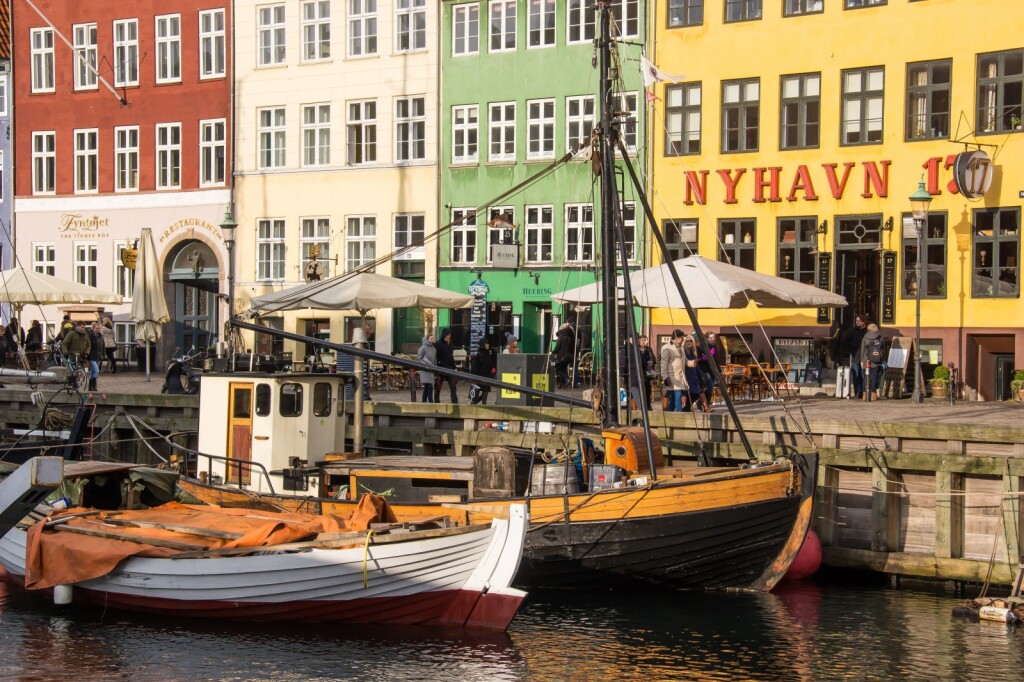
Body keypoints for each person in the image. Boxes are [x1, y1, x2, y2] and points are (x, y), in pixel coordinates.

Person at [841, 314, 868, 399]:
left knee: (863, 374)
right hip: (855, 354)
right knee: (856, 373)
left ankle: (863, 392)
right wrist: (853, 346)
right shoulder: (852, 330)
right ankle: (857, 392)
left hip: (864, 355)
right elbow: (845, 340)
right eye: (856, 321)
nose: (857, 322)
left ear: (863, 322)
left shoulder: (866, 331)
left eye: (859, 321)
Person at [660, 329, 688, 411]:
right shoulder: (666, 347)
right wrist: (665, 377)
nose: (683, 340)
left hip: (680, 375)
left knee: (673, 396)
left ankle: (670, 412)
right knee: (678, 395)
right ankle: (679, 413)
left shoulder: (681, 347)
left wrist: (693, 362)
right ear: (677, 338)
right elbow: (663, 363)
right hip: (672, 376)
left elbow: (684, 361)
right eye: (682, 338)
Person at [682, 335, 711, 412]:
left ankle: (706, 408)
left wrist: (707, 355)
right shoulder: (683, 352)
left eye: (691, 341)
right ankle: (685, 408)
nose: (689, 342)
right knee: (686, 393)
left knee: (700, 391)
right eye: (687, 341)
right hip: (687, 375)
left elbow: (705, 357)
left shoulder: (694, 351)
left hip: (695, 374)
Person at [859, 323, 886, 400]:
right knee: (874, 377)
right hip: (875, 360)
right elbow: (883, 350)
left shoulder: (865, 337)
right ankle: (873, 394)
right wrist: (882, 358)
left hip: (866, 359)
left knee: (865, 377)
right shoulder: (880, 337)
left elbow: (862, 350)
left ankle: (865, 394)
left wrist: (862, 360)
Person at [61, 321, 92, 385]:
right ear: (77, 327)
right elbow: (64, 344)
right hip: (72, 355)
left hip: (82, 356)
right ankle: (71, 383)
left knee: (81, 370)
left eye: (84, 327)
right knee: (71, 371)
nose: (83, 329)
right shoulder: (71, 334)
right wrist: (65, 352)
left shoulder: (85, 334)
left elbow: (89, 345)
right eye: (82, 327)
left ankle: (76, 383)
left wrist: (86, 353)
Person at [619, 337, 645, 410]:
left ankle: (639, 411)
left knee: (634, 398)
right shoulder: (626, 350)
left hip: (635, 378)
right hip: (630, 379)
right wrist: (622, 377)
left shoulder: (637, 350)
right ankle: (641, 411)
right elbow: (622, 365)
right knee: (636, 398)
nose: (637, 341)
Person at [434, 328, 458, 404]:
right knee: (438, 386)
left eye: (450, 335)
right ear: (444, 335)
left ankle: (455, 402)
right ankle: (436, 401)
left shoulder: (450, 344)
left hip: (449, 368)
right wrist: (437, 366)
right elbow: (435, 356)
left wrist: (454, 367)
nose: (449, 336)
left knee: (453, 386)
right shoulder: (438, 344)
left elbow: (451, 356)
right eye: (448, 335)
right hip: (441, 369)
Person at [469, 340, 497, 405]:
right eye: (486, 344)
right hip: (480, 377)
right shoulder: (479, 355)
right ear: (483, 345)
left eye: (488, 344)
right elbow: (474, 367)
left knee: (485, 394)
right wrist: (475, 378)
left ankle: (481, 405)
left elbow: (493, 361)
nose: (488, 345)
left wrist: (493, 369)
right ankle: (474, 403)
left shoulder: (489, 354)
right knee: (477, 393)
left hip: (487, 377)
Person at [552, 323, 575, 389]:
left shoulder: (561, 336)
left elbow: (558, 346)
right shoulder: (570, 336)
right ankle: (563, 384)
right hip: (569, 355)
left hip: (562, 356)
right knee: (563, 369)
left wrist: (553, 353)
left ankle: (566, 380)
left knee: (558, 368)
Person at [637, 335, 657, 408]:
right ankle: (643, 405)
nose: (644, 342)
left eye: (645, 340)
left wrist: (651, 362)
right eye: (642, 340)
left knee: (648, 390)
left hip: (648, 373)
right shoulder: (637, 350)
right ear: (639, 341)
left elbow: (653, 359)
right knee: (643, 389)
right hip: (641, 372)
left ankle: (648, 405)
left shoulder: (648, 349)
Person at [416, 334, 436, 403]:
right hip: (425, 370)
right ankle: (430, 402)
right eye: (431, 339)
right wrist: (426, 364)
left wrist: (435, 367)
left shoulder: (433, 348)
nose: (432, 340)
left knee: (427, 387)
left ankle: (424, 401)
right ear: (427, 339)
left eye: (433, 338)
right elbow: (419, 358)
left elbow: (434, 359)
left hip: (431, 370)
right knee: (429, 386)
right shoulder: (423, 348)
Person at [87, 322, 104, 391]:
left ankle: (91, 386)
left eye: (99, 328)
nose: (98, 330)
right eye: (97, 328)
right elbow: (88, 345)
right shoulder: (90, 336)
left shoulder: (100, 336)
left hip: (99, 356)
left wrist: (103, 354)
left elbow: (103, 346)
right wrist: (88, 354)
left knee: (93, 371)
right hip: (92, 356)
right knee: (96, 370)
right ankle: (94, 386)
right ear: (93, 328)